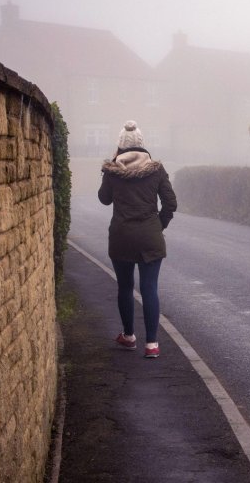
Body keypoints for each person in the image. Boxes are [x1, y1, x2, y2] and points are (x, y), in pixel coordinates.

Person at [98, 120, 177, 358]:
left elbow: (104, 199)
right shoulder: (156, 169)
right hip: (150, 236)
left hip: (122, 236)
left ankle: (129, 336)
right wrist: (158, 224)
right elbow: (170, 202)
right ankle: (152, 344)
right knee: (149, 288)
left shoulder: (114, 170)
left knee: (124, 286)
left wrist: (109, 169)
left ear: (120, 145)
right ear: (142, 144)